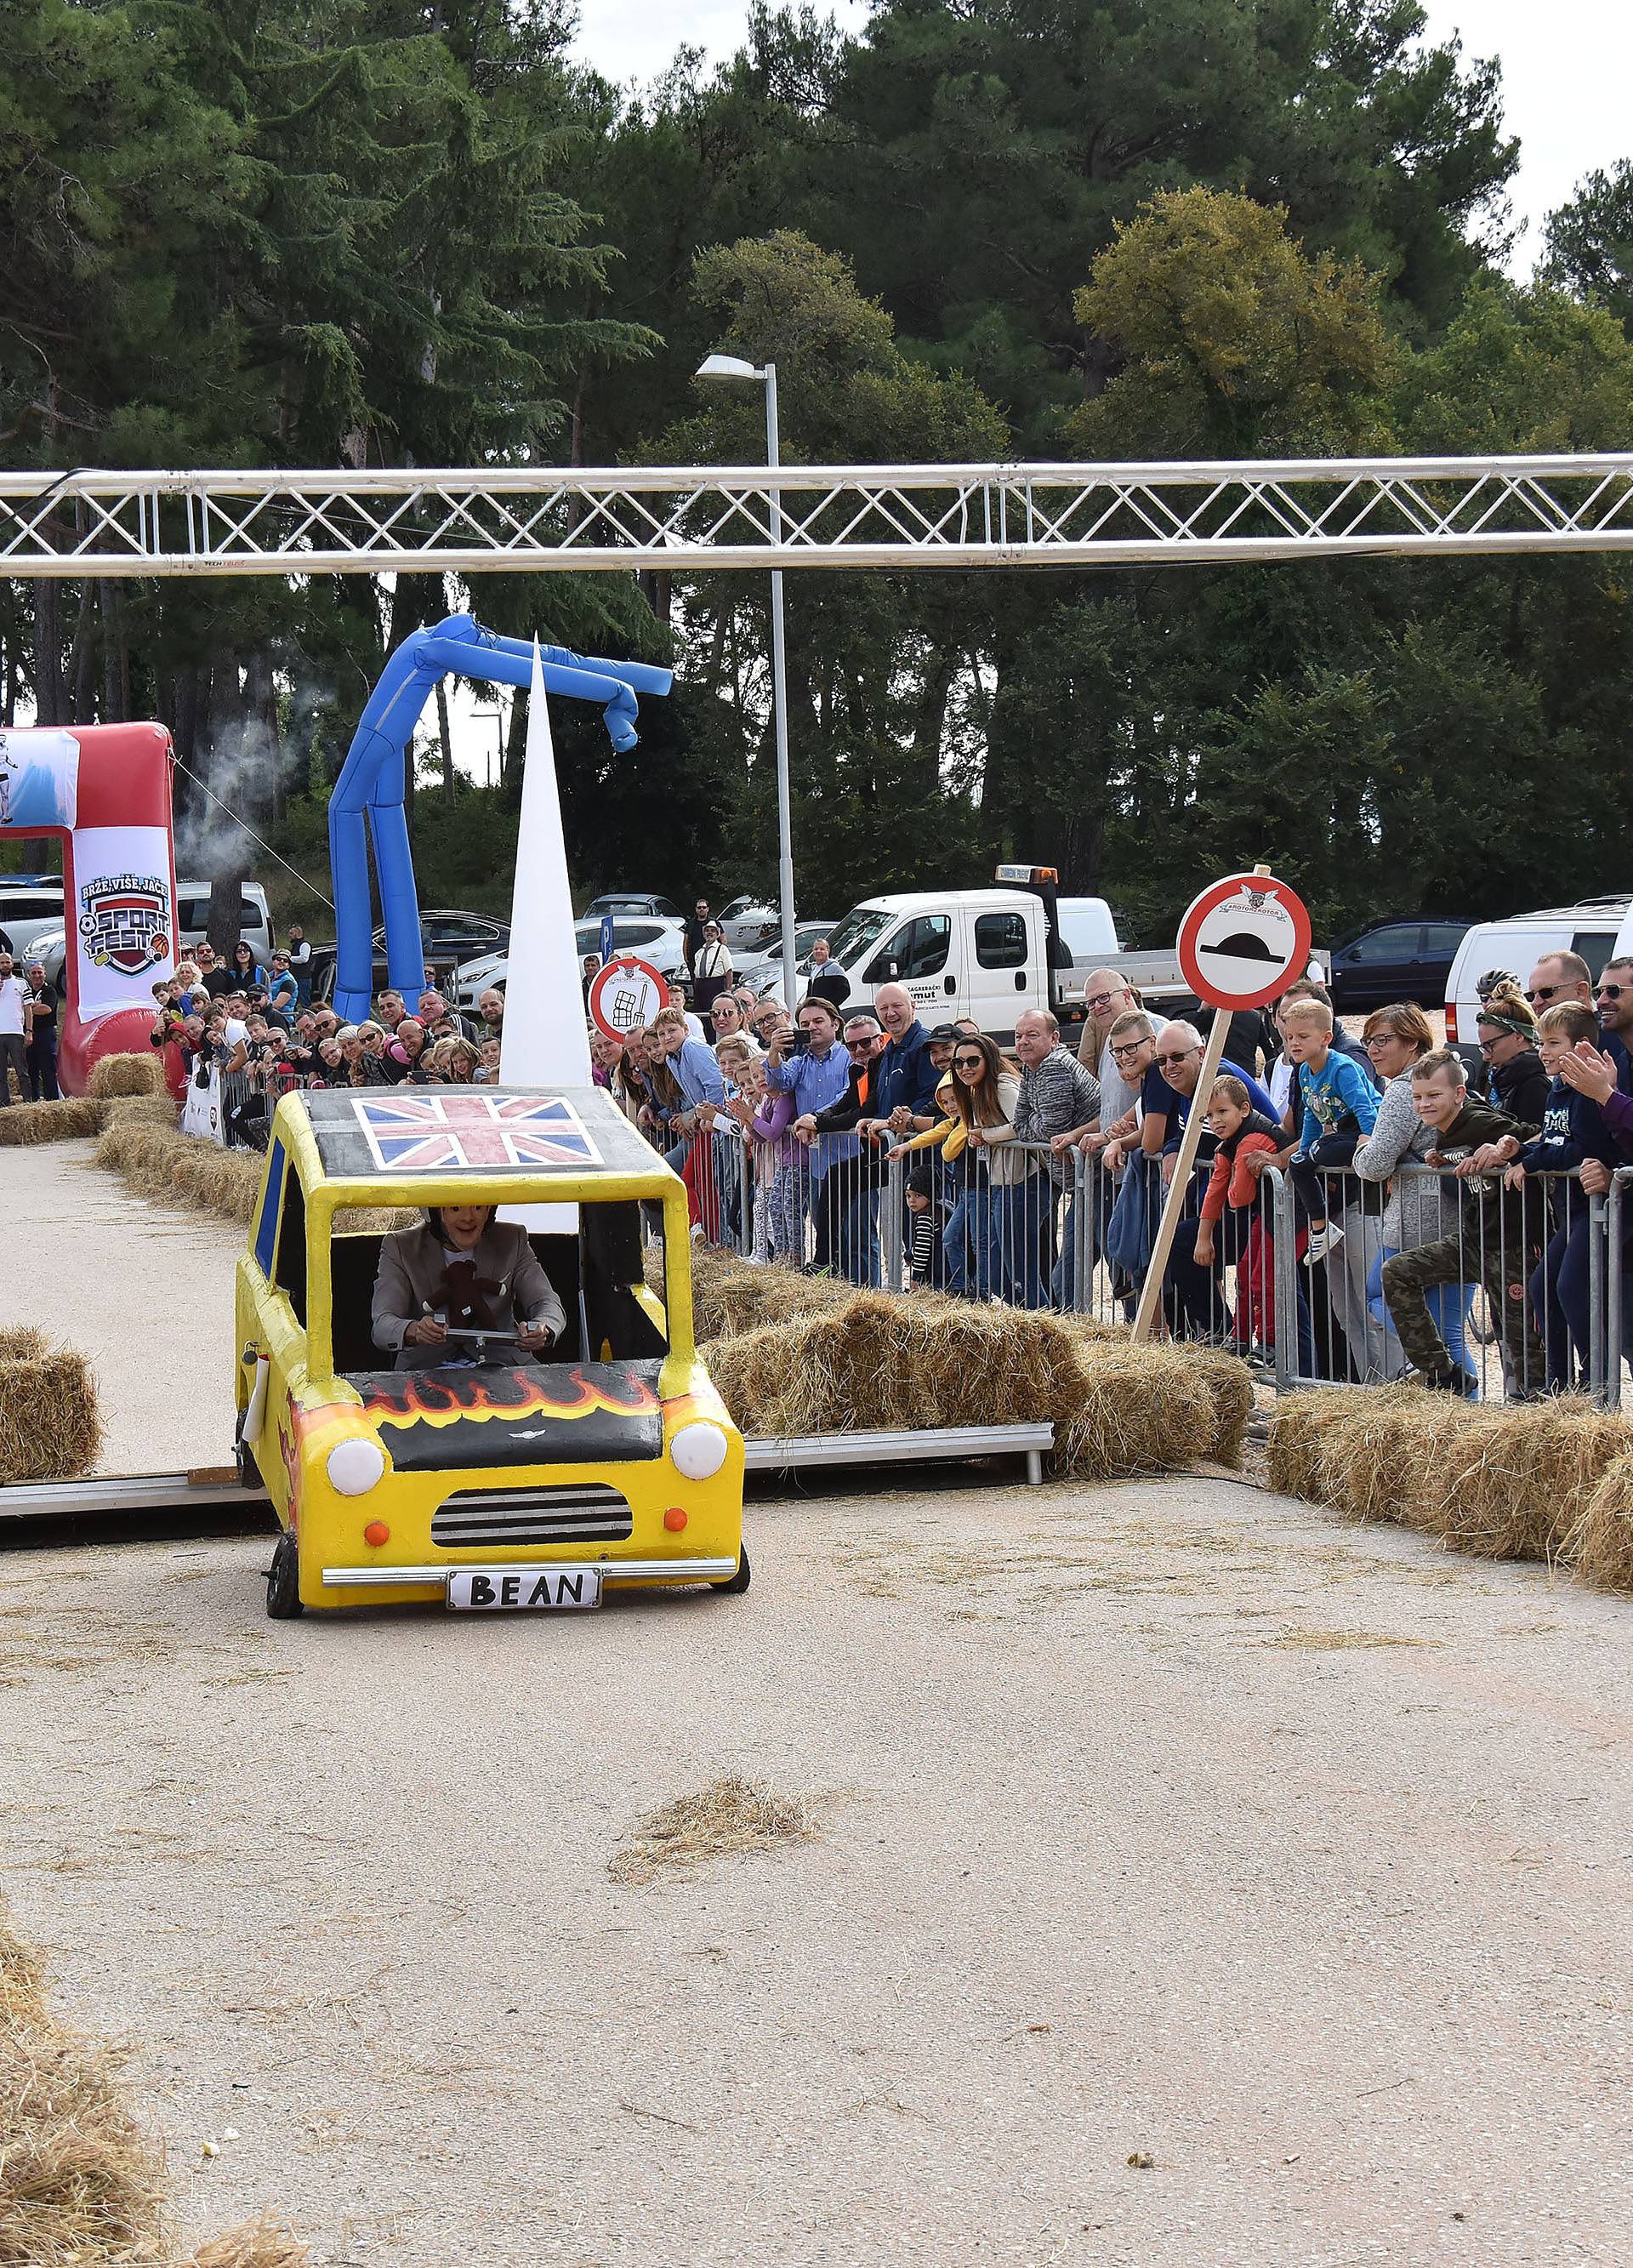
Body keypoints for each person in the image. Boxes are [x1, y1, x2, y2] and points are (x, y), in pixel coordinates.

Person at [1380, 1049, 1544, 1395]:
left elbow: (1534, 1134)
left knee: (1523, 1345)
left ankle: (1538, 1407)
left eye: (1434, 1096)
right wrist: (1441, 1156)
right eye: (1418, 1097)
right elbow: (1463, 1153)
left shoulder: (1477, 1118)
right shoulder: (1444, 1128)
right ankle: (1443, 1373)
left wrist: (1506, 1146)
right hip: (1476, 1240)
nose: (1424, 1104)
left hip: (1513, 1247)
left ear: (1459, 1094)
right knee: (1397, 1271)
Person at [1352, 1002, 1467, 1385]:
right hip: (1458, 1220)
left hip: (1417, 1225)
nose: (1373, 1049)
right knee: (1448, 1327)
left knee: (1378, 1296)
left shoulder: (1404, 1091)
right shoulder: (1453, 1079)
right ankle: (1465, 1406)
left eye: (1384, 1040)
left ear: (1413, 1043)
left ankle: (1453, 1392)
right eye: (1369, 1040)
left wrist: (1361, 1146)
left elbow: (1374, 1164)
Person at [973, 1008, 1099, 1307]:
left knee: (1070, 1270)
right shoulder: (1032, 1069)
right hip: (1078, 1178)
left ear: (1054, 1038)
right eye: (1018, 1036)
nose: (1023, 1042)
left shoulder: (1054, 1067)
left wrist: (1023, 1127)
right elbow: (1023, 1121)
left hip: (1095, 1176)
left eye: (1032, 1034)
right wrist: (1033, 1125)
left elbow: (1045, 1129)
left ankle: (1069, 1329)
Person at [371, 1203, 566, 1370]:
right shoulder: (399, 1246)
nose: (468, 1218)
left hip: (504, 1368)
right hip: (425, 1373)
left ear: (489, 1210)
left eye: (478, 1207)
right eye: (456, 1208)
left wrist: (543, 1327)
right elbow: (382, 1325)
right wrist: (414, 1330)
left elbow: (546, 1301)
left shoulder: (513, 1238)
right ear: (437, 1211)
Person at [1280, 998, 1380, 1263]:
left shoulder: (1342, 1067)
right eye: (1290, 1037)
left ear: (1325, 1038)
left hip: (1363, 1129)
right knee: (1298, 1163)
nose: (1294, 1043)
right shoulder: (1303, 1072)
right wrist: (1303, 1152)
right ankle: (1320, 1229)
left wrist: (1369, 1141)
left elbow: (1365, 1107)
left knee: (1323, 1151)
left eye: (1302, 1036)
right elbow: (1312, 1115)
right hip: (1339, 1132)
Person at [792, 1011, 888, 1285]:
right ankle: (826, 1260)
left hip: (895, 1152)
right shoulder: (859, 1068)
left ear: (880, 1040)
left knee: (863, 1233)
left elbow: (864, 1110)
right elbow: (846, 1103)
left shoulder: (883, 1064)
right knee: (834, 1180)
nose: (858, 1050)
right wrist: (815, 1119)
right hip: (873, 1151)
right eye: (852, 1046)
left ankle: (870, 1289)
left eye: (865, 1043)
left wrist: (818, 1124)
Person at [765, 995, 853, 1275]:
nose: (812, 1027)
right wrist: (774, 1052)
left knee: (856, 1234)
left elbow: (847, 1096)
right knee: (824, 1230)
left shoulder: (848, 1056)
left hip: (850, 1158)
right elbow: (778, 1081)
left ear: (835, 1024)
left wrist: (815, 1120)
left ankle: (865, 1287)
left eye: (818, 1021)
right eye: (805, 1023)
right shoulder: (801, 1062)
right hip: (817, 1164)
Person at [947, 1033, 1021, 1299]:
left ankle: (1034, 1319)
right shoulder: (977, 1090)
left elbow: (1020, 1126)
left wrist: (985, 1135)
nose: (965, 1068)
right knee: (1005, 1268)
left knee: (1016, 1270)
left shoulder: (1002, 1085)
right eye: (958, 1063)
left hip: (1023, 1180)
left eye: (972, 1061)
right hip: (1003, 1179)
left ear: (988, 1059)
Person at [1192, 1078, 1283, 1274]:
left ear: (1244, 1109)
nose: (1215, 1120)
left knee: (1266, 1281)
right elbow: (1215, 1189)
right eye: (1209, 1115)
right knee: (1252, 1277)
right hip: (1266, 1216)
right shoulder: (1228, 1145)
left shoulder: (1250, 1142)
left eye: (1222, 1111)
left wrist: (1233, 1173)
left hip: (1286, 1217)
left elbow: (1239, 1197)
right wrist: (1203, 1238)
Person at [1476, 988, 1548, 1126]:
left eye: (1490, 1045)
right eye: (1483, 1047)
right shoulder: (1499, 1076)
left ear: (1518, 1037)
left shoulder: (1535, 1085)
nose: (1485, 1057)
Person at [19, 960, 58, 1102]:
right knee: (31, 1070)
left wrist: (28, 1009)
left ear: (45, 974)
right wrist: (36, 1005)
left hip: (46, 1034)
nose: (37, 976)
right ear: (29, 975)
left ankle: (52, 1101)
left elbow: (47, 1009)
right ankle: (33, 1100)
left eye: (39, 972)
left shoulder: (50, 991)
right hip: (29, 1033)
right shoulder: (26, 990)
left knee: (48, 1070)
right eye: (34, 973)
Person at [0, 951, 29, 1106]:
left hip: (15, 1032)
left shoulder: (21, 983)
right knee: (1, 1074)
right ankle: (4, 1103)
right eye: (2, 963)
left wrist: (29, 1031)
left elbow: (28, 1008)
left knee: (22, 1071)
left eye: (7, 962)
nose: (5, 965)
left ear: (12, 964)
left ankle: (27, 1101)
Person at [691, 920, 734, 1015]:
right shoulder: (699, 952)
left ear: (717, 934)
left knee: (714, 1011)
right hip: (700, 985)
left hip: (715, 984)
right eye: (707, 931)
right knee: (700, 1012)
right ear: (704, 934)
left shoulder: (722, 949)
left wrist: (728, 990)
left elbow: (729, 970)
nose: (709, 932)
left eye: (712, 931)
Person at [805, 937, 849, 1009]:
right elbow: (809, 993)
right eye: (816, 949)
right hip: (815, 1011)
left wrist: (828, 1006)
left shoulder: (835, 968)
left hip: (828, 1012)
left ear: (828, 950)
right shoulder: (814, 969)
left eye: (822, 949)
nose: (818, 951)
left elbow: (845, 991)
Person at [285, 922, 312, 1006]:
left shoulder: (304, 944)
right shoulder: (296, 945)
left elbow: (304, 959)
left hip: (303, 978)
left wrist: (289, 958)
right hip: (296, 977)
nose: (290, 935)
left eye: (291, 933)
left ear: (297, 933)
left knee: (304, 1000)